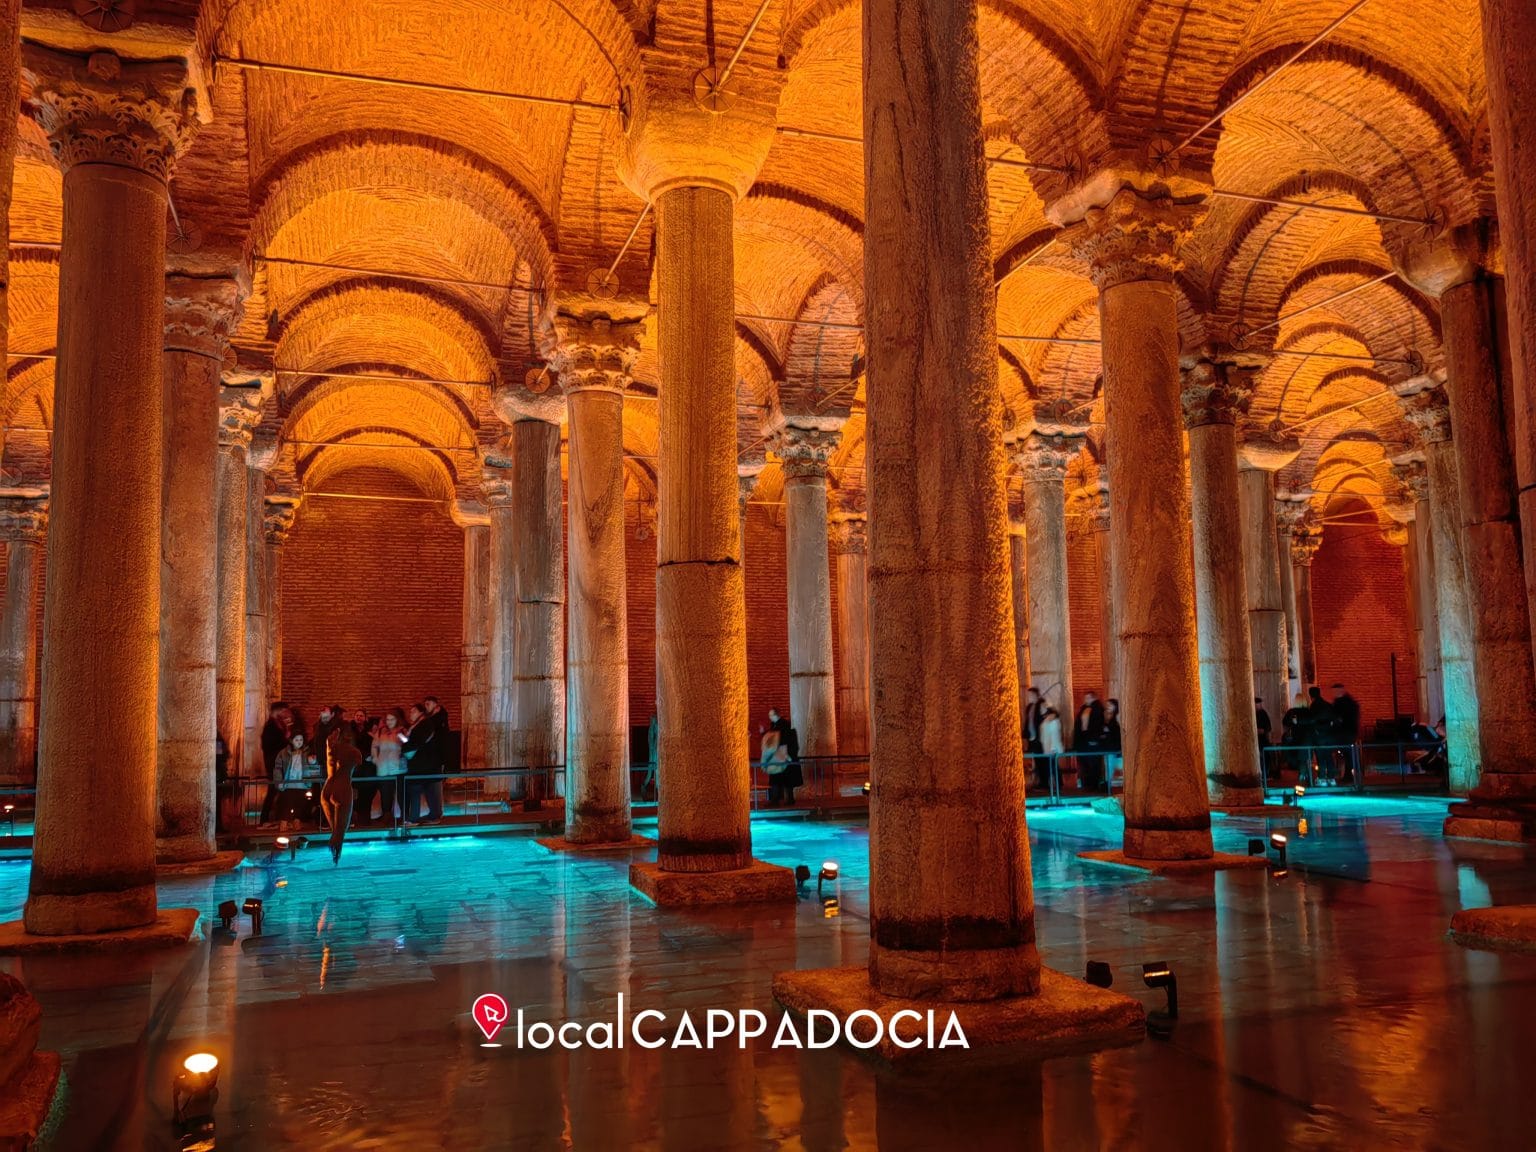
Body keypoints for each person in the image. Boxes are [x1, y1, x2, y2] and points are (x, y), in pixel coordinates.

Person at [321, 726, 361, 863]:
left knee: (335, 830)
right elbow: (359, 764)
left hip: (327, 788)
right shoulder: (355, 752)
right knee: (340, 831)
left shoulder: (331, 745)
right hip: (342, 788)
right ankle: (336, 858)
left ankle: (334, 857)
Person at [402, 701, 445, 825]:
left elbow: (417, 742)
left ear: (421, 713)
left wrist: (406, 748)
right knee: (422, 791)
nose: (411, 714)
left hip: (424, 764)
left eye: (413, 711)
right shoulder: (415, 726)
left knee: (422, 791)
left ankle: (422, 817)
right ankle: (424, 816)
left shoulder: (425, 724)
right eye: (410, 712)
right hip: (421, 764)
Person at [370, 708, 409, 824]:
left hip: (398, 768)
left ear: (397, 720)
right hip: (383, 768)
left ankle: (404, 816)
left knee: (401, 793)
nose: (389, 722)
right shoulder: (381, 731)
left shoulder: (401, 730)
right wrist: (376, 759)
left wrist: (400, 735)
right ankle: (387, 816)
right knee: (386, 794)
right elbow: (374, 746)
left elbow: (407, 742)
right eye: (387, 719)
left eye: (392, 719)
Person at [759, 707, 803, 807]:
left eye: (771, 715)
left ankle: (777, 800)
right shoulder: (779, 726)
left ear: (775, 715)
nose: (769, 717)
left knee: (779, 780)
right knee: (784, 781)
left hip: (781, 757)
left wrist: (764, 733)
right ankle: (787, 800)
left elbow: (775, 740)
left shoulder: (781, 726)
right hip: (781, 757)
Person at [258, 701, 293, 825]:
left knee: (277, 790)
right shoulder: (270, 726)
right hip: (273, 762)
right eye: (283, 710)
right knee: (273, 789)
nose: (285, 713)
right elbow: (271, 744)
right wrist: (285, 737)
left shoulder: (279, 724)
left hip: (279, 762)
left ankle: (277, 817)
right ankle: (265, 818)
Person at [271, 732, 310, 831]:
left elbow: (312, 765)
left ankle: (297, 822)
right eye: (296, 740)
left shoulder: (307, 752)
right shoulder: (284, 753)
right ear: (291, 741)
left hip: (301, 783)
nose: (299, 742)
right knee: (287, 803)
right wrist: (279, 781)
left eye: (301, 740)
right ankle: (284, 822)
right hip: (288, 783)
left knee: (300, 803)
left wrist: (312, 761)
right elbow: (278, 768)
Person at [1075, 691, 1106, 791]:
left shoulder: (1097, 709)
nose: (1086, 700)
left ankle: (1093, 785)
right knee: (1086, 763)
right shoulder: (1084, 709)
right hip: (1084, 740)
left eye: (1088, 698)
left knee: (1093, 764)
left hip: (1092, 740)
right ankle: (1087, 784)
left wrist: (1094, 738)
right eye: (1085, 698)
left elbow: (1097, 725)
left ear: (1093, 698)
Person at [1331, 682, 1361, 785]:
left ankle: (1348, 776)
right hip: (1348, 732)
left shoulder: (1342, 703)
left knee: (1347, 755)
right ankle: (1350, 775)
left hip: (1345, 733)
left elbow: (1339, 717)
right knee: (1348, 755)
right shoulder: (1349, 702)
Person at [1307, 686, 1337, 784]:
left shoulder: (1314, 706)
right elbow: (1334, 718)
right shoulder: (1327, 705)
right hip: (1329, 735)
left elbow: (1312, 721)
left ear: (1310, 695)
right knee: (1328, 756)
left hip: (1319, 735)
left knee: (1321, 757)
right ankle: (1332, 778)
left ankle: (1322, 778)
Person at [1282, 693, 1312, 783]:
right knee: (1304, 758)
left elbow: (1285, 723)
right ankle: (1305, 776)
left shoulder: (1292, 712)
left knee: (1297, 758)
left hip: (1295, 738)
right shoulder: (1308, 712)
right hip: (1306, 738)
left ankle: (1302, 776)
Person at [1102, 698, 1123, 788]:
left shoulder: (1113, 722)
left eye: (1109, 705)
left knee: (1109, 767)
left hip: (1112, 748)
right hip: (1109, 748)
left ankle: (1108, 785)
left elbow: (1114, 735)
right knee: (1108, 767)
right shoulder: (1108, 720)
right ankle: (1107, 784)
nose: (1107, 707)